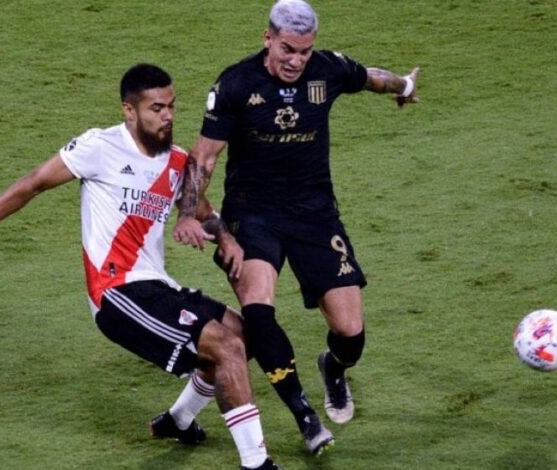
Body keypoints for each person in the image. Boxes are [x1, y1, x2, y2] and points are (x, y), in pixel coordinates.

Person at [0, 64, 278, 470]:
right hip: (116, 291)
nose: (168, 116)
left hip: (157, 286)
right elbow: (34, 182)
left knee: (243, 337)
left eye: (171, 106)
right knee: (226, 348)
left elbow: (202, 212)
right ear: (129, 110)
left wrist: (224, 237)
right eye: (156, 108)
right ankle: (256, 463)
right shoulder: (99, 147)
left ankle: (178, 420)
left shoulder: (177, 162)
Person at [171, 0, 420, 456]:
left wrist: (403, 85)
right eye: (287, 49)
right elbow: (203, 158)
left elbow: (370, 78)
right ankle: (304, 415)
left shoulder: (327, 70)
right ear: (268, 38)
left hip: (315, 214)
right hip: (252, 215)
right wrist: (188, 213)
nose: (296, 61)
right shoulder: (236, 84)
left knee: (351, 332)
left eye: (304, 52)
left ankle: (334, 367)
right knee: (259, 310)